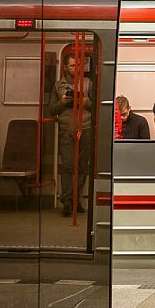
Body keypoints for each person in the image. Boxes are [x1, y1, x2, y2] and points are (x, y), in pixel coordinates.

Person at [49, 53, 93, 217]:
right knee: (68, 166)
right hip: (66, 130)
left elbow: (97, 107)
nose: (77, 68)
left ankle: (77, 199)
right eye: (73, 65)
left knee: (82, 167)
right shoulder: (57, 86)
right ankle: (67, 201)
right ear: (66, 67)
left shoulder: (88, 84)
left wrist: (88, 103)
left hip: (86, 128)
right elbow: (51, 109)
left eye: (79, 65)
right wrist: (61, 103)